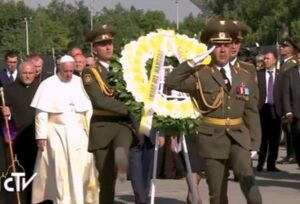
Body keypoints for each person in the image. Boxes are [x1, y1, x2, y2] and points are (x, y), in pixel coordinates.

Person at [165, 18, 262, 204]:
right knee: (217, 194)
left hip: (238, 137)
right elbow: (172, 82)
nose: (223, 50)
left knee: (246, 176)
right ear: (209, 47)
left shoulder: (244, 75)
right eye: (217, 45)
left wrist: (255, 143)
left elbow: (251, 112)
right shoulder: (200, 74)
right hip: (211, 139)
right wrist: (193, 62)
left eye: (227, 44)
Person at [82, 24, 138, 204]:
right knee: (105, 179)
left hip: (122, 125)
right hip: (102, 127)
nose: (108, 47)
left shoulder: (124, 70)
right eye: (103, 44)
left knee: (120, 151)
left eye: (110, 43)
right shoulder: (89, 73)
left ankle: (121, 161)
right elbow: (99, 100)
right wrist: (129, 108)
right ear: (94, 49)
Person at [30, 55, 98, 204]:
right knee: (61, 172)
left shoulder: (80, 82)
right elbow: (41, 113)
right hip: (56, 133)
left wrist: (92, 132)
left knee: (83, 168)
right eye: (65, 71)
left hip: (80, 134)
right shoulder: (47, 85)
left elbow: (89, 109)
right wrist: (40, 136)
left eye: (71, 71)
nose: (68, 74)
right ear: (58, 68)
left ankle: (81, 199)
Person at [1, 61, 40, 203]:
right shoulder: (8, 90)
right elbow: (3, 114)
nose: (28, 75)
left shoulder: (40, 89)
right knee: (18, 173)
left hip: (36, 138)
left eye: (30, 73)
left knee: (35, 173)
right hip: (16, 139)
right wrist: (4, 112)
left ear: (35, 73)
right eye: (25, 73)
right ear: (20, 73)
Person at [256, 51, 282, 172]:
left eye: (268, 59)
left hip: (276, 109)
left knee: (275, 139)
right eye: (264, 59)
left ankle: (271, 164)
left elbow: (284, 93)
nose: (265, 61)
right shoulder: (259, 74)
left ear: (274, 60)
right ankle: (260, 164)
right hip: (262, 108)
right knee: (263, 138)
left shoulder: (281, 75)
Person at [277, 37, 299, 164]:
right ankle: (290, 154)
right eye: (282, 45)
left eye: (285, 46)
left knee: (291, 131)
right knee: (287, 130)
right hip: (285, 103)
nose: (282, 47)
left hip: (291, 104)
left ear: (292, 50)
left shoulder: (292, 64)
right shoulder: (284, 63)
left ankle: (293, 154)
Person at [282, 60, 300, 169]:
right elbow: (286, 94)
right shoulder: (290, 73)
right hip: (296, 114)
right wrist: (288, 111)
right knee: (298, 141)